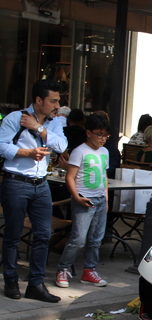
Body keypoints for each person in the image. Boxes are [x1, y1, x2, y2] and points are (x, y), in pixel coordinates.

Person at [0, 79, 68, 302]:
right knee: (12, 234)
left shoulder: (54, 122)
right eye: (53, 101)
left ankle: (36, 284)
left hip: (42, 184)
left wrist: (38, 128)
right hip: (16, 182)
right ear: (39, 100)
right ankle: (10, 279)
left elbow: (61, 146)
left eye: (58, 100)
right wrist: (27, 153)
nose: (57, 105)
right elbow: (1, 145)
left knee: (42, 235)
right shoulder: (15, 118)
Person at [55, 114, 111, 288]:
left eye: (105, 135)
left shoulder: (105, 151)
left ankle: (89, 270)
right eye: (99, 134)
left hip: (100, 199)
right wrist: (77, 197)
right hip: (84, 199)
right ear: (88, 133)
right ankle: (63, 269)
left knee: (96, 238)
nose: (102, 139)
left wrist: (106, 197)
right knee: (78, 238)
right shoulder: (79, 151)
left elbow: (104, 175)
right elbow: (70, 177)